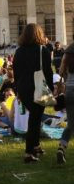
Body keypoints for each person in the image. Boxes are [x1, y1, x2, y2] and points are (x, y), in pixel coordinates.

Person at [13, 23, 54, 163]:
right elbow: (48, 73)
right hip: (38, 88)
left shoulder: (19, 52)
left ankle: (35, 146)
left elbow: (16, 73)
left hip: (24, 89)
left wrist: (17, 91)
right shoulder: (44, 50)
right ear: (39, 34)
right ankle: (28, 152)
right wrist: (51, 90)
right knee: (34, 120)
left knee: (35, 118)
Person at [56, 43, 74, 164]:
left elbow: (61, 71)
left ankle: (62, 147)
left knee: (71, 123)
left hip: (70, 90)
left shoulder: (69, 50)